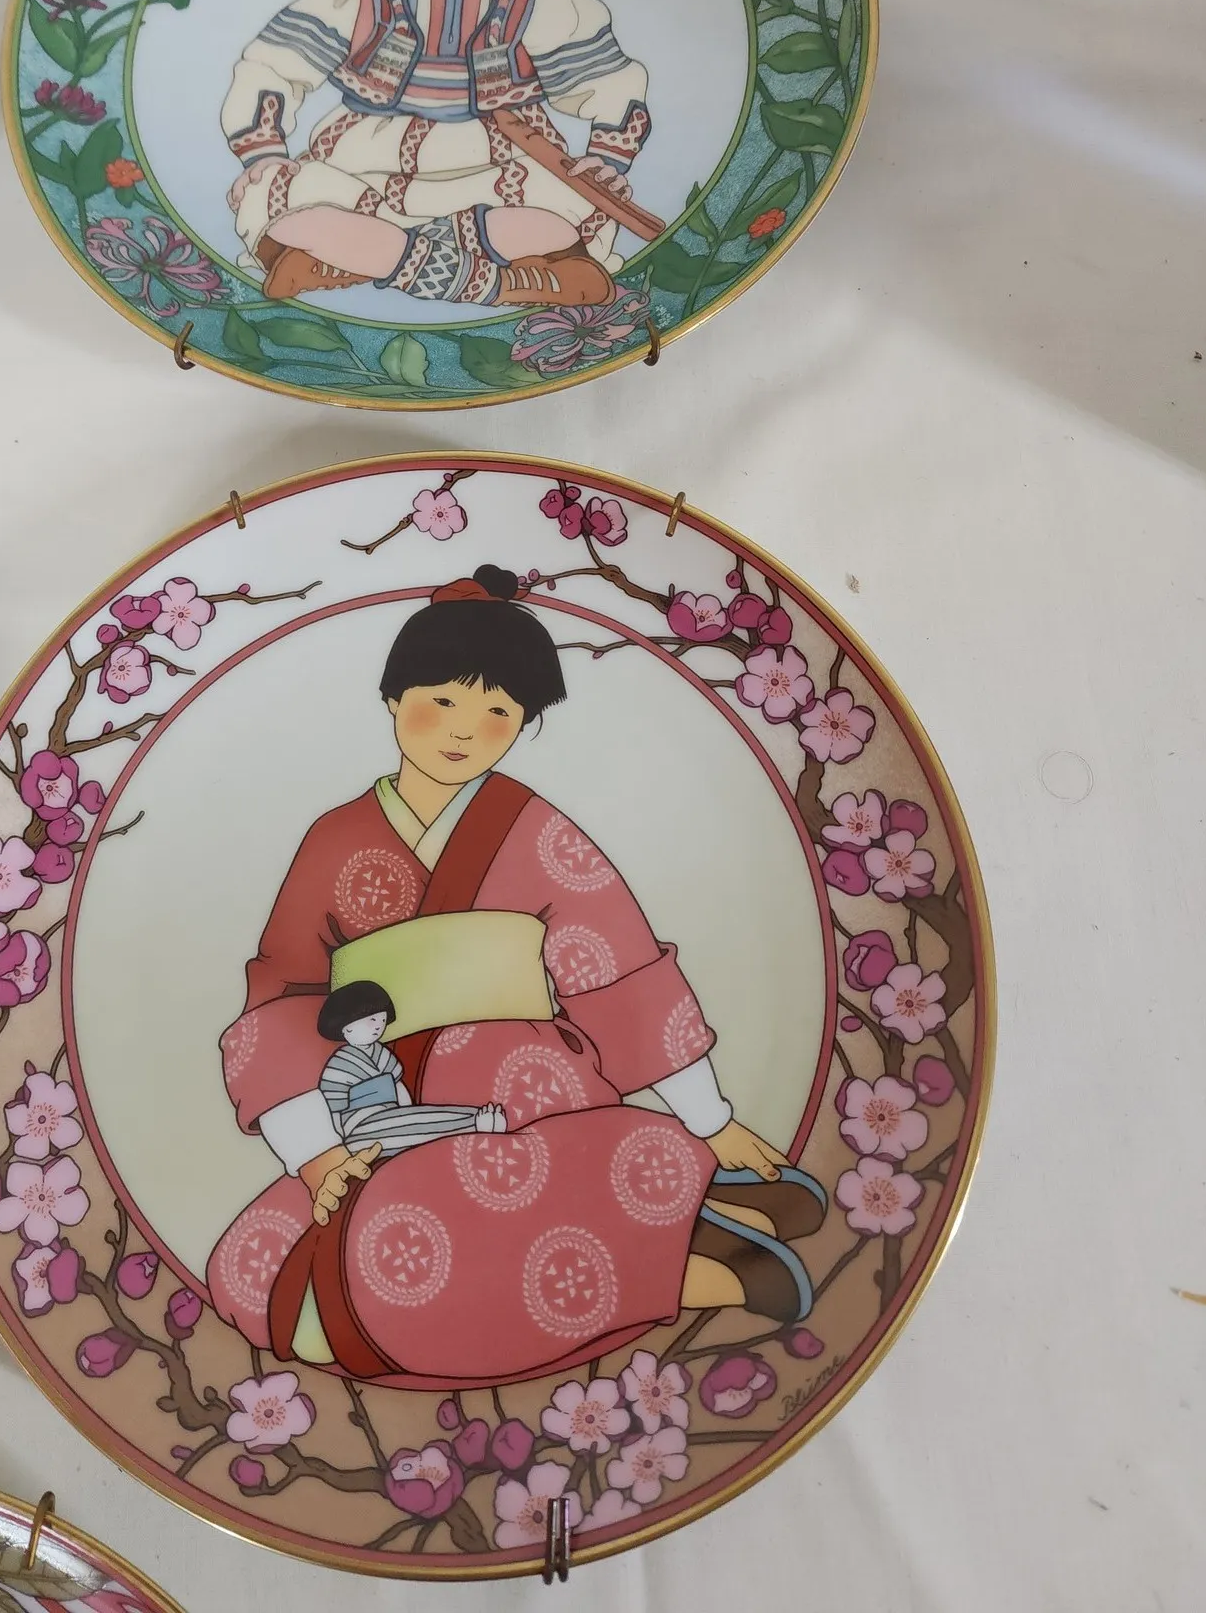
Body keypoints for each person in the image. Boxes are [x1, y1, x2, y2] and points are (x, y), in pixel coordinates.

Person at [208, 566, 826, 1388]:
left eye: (499, 713)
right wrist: (316, 1155)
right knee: (258, 1274)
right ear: (394, 698)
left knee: (476, 1206)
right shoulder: (335, 841)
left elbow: (617, 969)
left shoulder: (531, 828)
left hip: (531, 1089)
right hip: (383, 1104)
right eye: (443, 701)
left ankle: (703, 1246)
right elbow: (284, 1000)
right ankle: (701, 1256)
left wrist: (710, 1118)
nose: (465, 731)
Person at [222, 0, 652, 309]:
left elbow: (603, 78)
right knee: (276, 192)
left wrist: (606, 156)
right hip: (368, 154)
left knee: (560, 207)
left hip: (500, 154)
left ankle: (355, 257)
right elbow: (275, 65)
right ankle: (507, 281)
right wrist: (263, 151)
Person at [316, 978, 504, 1184]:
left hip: (395, 1116)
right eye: (371, 1020)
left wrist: (409, 1111)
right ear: (346, 1028)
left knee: (417, 1119)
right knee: (408, 1125)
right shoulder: (339, 1065)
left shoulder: (383, 1055)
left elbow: (399, 1089)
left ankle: (475, 1117)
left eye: (381, 1019)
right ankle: (473, 1124)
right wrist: (342, 1143)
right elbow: (334, 1110)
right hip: (360, 1131)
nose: (377, 1026)